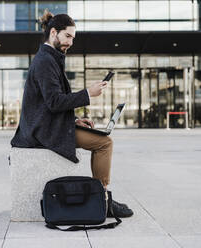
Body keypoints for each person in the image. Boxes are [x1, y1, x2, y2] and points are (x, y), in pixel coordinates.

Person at [11, 10, 133, 218]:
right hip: (42, 131)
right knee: (104, 143)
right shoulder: (44, 61)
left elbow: (50, 103)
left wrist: (75, 120)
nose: (70, 42)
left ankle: (102, 197)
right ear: (53, 33)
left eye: (73, 38)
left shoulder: (49, 58)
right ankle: (102, 199)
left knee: (101, 139)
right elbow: (54, 102)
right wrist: (87, 93)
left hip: (47, 124)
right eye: (67, 36)